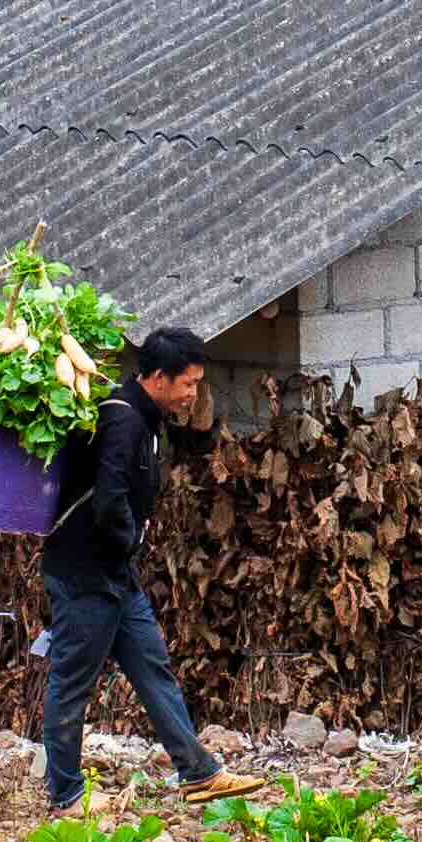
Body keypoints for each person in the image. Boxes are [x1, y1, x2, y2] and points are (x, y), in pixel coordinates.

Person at [38, 326, 268, 815]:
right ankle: (66, 794)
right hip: (86, 573)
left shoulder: (145, 419)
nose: (192, 394)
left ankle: (199, 774)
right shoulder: (123, 421)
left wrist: (125, 552)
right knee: (72, 681)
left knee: (152, 668)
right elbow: (108, 500)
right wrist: (127, 540)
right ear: (158, 377)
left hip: (116, 575)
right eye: (187, 383)